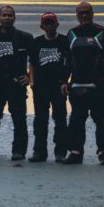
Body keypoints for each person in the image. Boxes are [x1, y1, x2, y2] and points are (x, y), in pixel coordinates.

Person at [62, 1, 104, 165]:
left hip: (99, 85)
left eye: (87, 12)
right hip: (77, 84)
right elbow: (67, 61)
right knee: (76, 120)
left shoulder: (103, 33)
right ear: (77, 15)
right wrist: (64, 81)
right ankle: (75, 153)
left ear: (93, 13)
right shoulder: (71, 33)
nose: (84, 15)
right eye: (81, 13)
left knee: (101, 120)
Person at [0, 5, 33, 161]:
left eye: (10, 15)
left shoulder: (25, 37)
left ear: (14, 18)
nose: (7, 18)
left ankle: (19, 151)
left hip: (16, 84)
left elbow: (34, 60)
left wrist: (29, 77)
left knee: (19, 119)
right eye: (4, 15)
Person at [27, 12, 70, 163]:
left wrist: (65, 82)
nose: (49, 26)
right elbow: (32, 64)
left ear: (57, 24)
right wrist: (32, 82)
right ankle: (39, 152)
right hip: (40, 86)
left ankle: (60, 152)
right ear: (42, 26)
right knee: (40, 120)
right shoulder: (37, 42)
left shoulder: (64, 41)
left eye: (52, 23)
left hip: (58, 86)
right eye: (47, 23)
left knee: (60, 119)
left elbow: (68, 63)